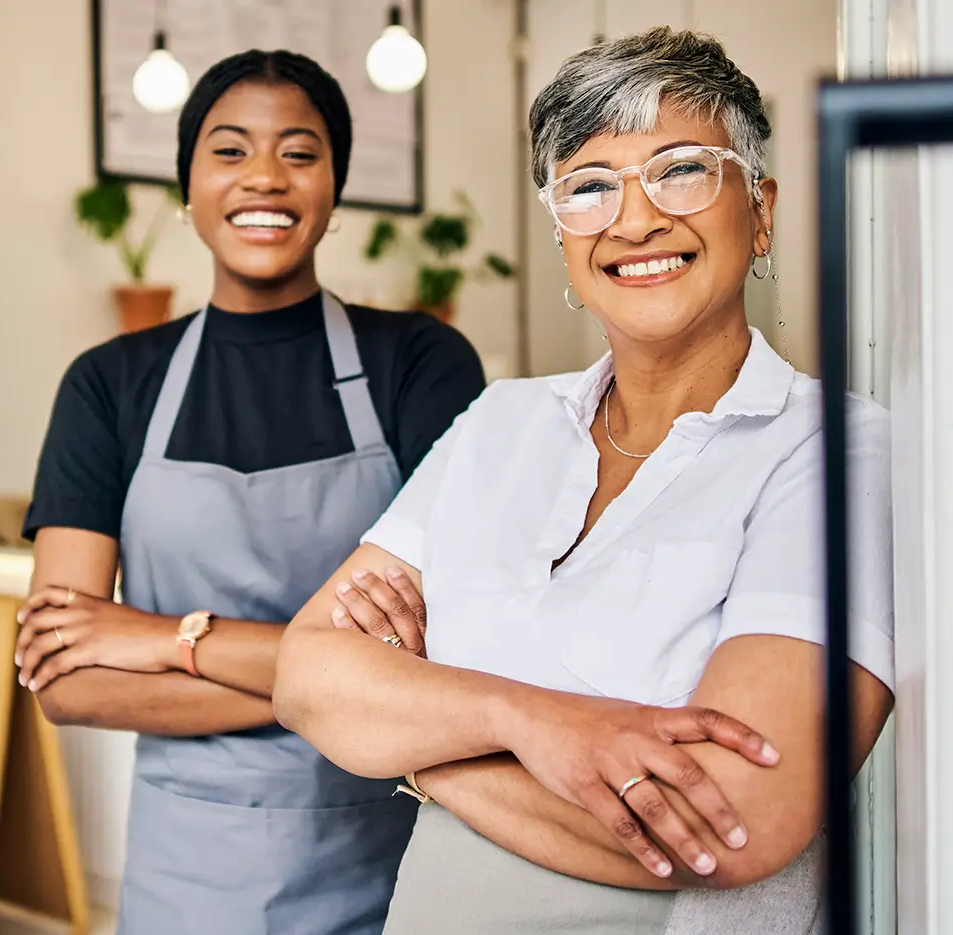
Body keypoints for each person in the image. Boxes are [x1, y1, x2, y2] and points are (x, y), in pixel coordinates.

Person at [274, 28, 897, 933]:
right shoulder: (500, 423)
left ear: (759, 211)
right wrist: (534, 721)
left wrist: (420, 749)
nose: (634, 219)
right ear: (564, 235)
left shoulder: (837, 450)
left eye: (682, 170)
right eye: (591, 187)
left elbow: (734, 820)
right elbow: (308, 673)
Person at [11, 50, 486, 935]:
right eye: (229, 150)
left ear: (335, 188)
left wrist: (162, 639)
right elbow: (66, 678)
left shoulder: (419, 362)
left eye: (299, 152)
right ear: (188, 187)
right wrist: (348, 680)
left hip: (389, 863)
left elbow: (444, 648)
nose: (264, 175)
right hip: (186, 880)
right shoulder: (110, 384)